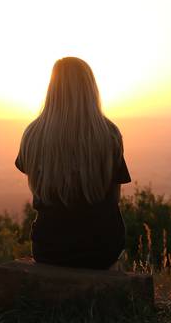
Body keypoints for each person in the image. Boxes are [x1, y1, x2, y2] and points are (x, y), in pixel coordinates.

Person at [14, 57, 131, 270]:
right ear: (90, 88)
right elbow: (113, 200)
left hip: (49, 249)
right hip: (102, 249)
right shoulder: (109, 134)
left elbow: (39, 188)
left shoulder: (33, 134)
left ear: (52, 88)